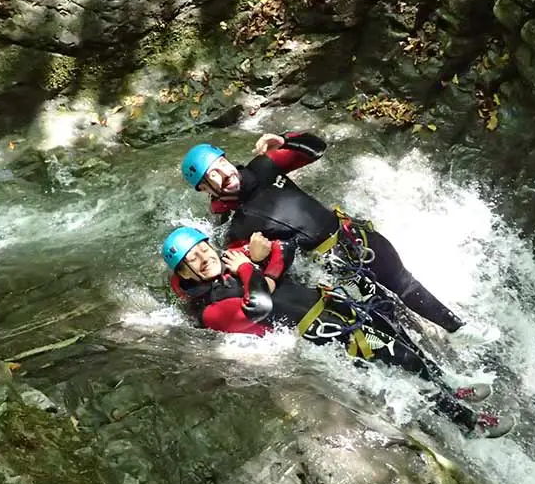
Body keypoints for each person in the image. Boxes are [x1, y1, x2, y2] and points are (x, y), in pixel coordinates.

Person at [161, 225, 509, 438]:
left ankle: (451, 389)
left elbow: (284, 248)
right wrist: (255, 269)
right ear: (186, 275)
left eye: (203, 248)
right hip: (325, 335)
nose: (204, 257)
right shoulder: (211, 310)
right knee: (404, 362)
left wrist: (261, 266)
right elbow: (260, 307)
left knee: (403, 343)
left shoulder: (229, 264)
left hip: (334, 310)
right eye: (193, 259)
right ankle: (470, 424)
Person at [178, 132, 467, 335]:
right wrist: (256, 260)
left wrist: (286, 140)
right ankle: (434, 357)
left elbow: (316, 148)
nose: (224, 175)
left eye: (222, 165)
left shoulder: (264, 167)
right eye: (212, 176)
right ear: (204, 189)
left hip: (352, 236)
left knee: (404, 283)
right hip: (335, 266)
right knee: (385, 311)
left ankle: (456, 327)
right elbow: (267, 268)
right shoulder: (235, 228)